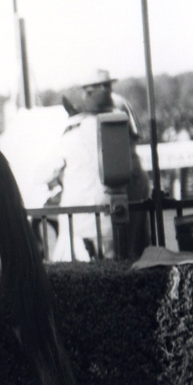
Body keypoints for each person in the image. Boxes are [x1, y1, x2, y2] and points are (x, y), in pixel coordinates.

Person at [49, 69, 152, 261]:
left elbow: (44, 174)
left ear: (86, 94)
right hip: (115, 222)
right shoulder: (121, 132)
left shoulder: (72, 135)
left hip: (78, 228)